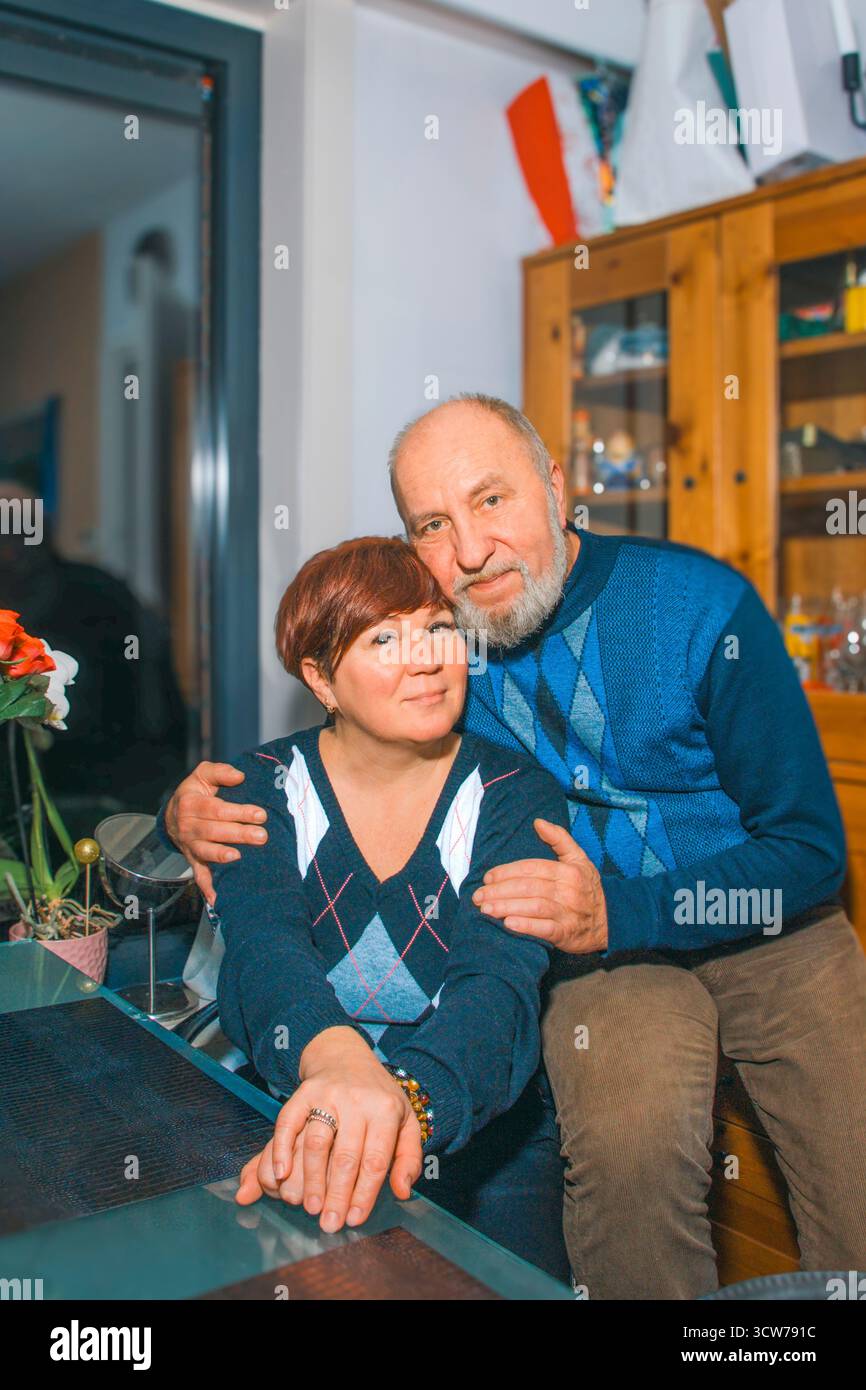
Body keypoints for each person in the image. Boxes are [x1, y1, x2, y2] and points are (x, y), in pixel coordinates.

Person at [164, 394, 866, 1299]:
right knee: (631, 1149)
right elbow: (339, 707)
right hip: (590, 953)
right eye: (433, 524)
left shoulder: (700, 607)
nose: (470, 549)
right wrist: (184, 807)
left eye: (491, 500)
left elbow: (810, 849)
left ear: (556, 488)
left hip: (764, 925)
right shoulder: (443, 640)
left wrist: (624, 908)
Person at [205, 535, 572, 1283]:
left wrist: (398, 1104)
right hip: (288, 1106)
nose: (427, 659)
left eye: (438, 629)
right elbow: (264, 953)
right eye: (383, 639)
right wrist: (338, 1063)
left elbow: (495, 989)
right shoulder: (259, 789)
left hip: (478, 1133)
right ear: (321, 678)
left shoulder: (514, 796)